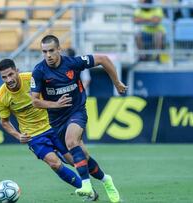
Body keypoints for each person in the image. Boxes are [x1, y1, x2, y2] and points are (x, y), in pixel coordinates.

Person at [31, 34, 126, 202]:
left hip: (76, 111)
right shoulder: (39, 71)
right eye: (44, 52)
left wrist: (117, 83)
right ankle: (106, 180)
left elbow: (103, 59)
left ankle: (86, 185)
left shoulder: (73, 63)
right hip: (57, 120)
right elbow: (35, 101)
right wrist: (56, 105)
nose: (48, 55)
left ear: (59, 49)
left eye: (51, 51)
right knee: (82, 158)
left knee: (72, 141)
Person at [0, 59, 84, 195]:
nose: (8, 79)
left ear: (17, 71)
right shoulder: (2, 96)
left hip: (53, 126)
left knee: (74, 161)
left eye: (11, 74)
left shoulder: (33, 78)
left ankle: (101, 179)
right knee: (54, 164)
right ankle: (88, 192)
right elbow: (4, 122)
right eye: (4, 77)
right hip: (33, 136)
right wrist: (18, 135)